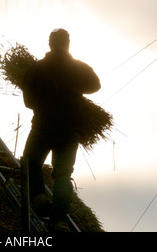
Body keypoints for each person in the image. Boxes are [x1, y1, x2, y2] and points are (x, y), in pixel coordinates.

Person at [22, 28, 101, 232]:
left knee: (30, 162)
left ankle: (38, 197)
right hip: (70, 128)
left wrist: (44, 103)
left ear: (50, 44)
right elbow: (96, 85)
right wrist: (73, 88)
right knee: (63, 175)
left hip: (44, 124)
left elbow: (28, 101)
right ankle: (60, 222)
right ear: (67, 44)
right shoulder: (79, 68)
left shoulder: (37, 69)